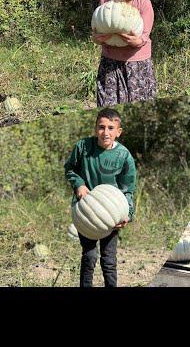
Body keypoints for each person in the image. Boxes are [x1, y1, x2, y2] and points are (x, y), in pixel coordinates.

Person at [64, 108, 137, 287]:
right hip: (86, 213)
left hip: (111, 216)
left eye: (111, 128)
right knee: (89, 257)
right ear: (96, 128)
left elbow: (128, 190)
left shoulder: (124, 156)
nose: (106, 132)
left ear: (118, 132)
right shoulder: (83, 147)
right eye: (101, 127)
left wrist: (128, 214)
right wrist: (79, 184)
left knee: (109, 260)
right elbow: (70, 169)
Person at [92, 0, 157, 107]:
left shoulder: (144, 3)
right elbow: (96, 33)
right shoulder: (106, 1)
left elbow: (144, 36)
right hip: (110, 64)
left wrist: (137, 41)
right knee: (108, 108)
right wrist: (97, 39)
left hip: (137, 64)